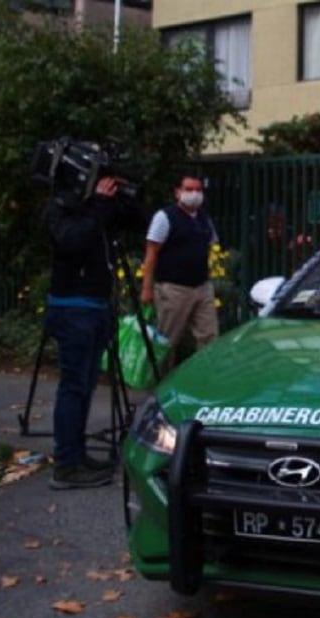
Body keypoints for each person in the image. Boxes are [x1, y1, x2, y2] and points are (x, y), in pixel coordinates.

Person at [44, 172, 141, 490]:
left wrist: (118, 201)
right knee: (73, 387)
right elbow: (72, 242)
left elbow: (137, 221)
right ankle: (66, 465)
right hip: (73, 307)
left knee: (84, 386)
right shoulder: (62, 207)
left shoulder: (95, 209)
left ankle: (76, 455)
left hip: (94, 306)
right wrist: (99, 204)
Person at [141, 175, 219, 368]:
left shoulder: (204, 218)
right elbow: (151, 252)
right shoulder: (165, 217)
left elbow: (211, 245)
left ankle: (206, 382)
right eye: (189, 189)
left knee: (209, 337)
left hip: (201, 286)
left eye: (198, 190)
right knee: (166, 341)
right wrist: (147, 288)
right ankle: (161, 385)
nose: (194, 194)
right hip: (173, 288)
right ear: (178, 192)